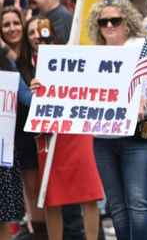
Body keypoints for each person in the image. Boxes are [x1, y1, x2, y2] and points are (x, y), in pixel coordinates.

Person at [86, 0, 147, 240]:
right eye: (103, 22)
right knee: (117, 208)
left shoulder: (144, 47)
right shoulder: (92, 56)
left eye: (114, 20)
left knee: (138, 204)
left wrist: (144, 98)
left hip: (138, 137)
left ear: (126, 22)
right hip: (103, 139)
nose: (108, 26)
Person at [28, 19, 104, 240]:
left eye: (40, 31)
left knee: (89, 193)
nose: (36, 36)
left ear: (51, 32)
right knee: (52, 197)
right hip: (48, 136)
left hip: (75, 131)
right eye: (31, 32)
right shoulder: (25, 63)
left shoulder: (68, 55)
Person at [0, 45, 33, 240]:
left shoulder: (6, 63)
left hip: (2, 152)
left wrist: (39, 90)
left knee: (2, 215)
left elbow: (26, 96)